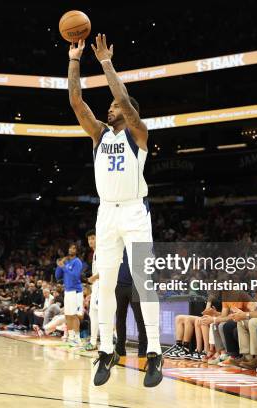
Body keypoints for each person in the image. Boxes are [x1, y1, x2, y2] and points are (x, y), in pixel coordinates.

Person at [68, 34, 162, 388]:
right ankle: (106, 350)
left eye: (115, 106)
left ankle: (154, 352)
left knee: (143, 280)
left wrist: (106, 63)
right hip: (106, 212)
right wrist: (74, 60)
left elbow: (123, 97)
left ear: (129, 111)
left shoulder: (138, 133)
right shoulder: (99, 135)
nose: (110, 108)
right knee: (105, 284)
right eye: (108, 106)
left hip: (136, 212)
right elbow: (76, 102)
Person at [55, 243, 83, 347]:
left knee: (74, 315)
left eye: (74, 248)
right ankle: (71, 337)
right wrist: (59, 266)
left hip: (76, 291)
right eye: (70, 247)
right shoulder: (66, 262)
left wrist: (64, 267)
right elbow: (57, 276)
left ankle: (77, 338)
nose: (71, 249)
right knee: (67, 315)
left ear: (77, 250)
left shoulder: (77, 262)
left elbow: (75, 276)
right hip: (67, 291)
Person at [83, 230, 100, 351]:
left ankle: (109, 341)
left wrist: (92, 278)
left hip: (102, 285)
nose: (91, 241)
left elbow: (105, 270)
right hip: (96, 285)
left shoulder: (102, 251)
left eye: (93, 238)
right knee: (93, 313)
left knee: (102, 314)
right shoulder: (95, 253)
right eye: (89, 239)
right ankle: (93, 341)